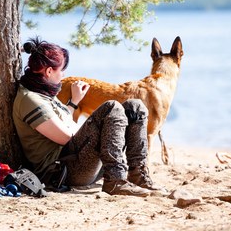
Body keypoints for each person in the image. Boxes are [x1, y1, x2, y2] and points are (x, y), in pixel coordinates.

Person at [13, 37, 165, 197]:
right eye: (61, 70)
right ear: (49, 71)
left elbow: (63, 125)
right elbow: (67, 137)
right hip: (63, 171)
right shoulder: (30, 99)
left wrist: (74, 102)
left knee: (135, 106)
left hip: (77, 160)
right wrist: (99, 125)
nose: (63, 74)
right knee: (111, 108)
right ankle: (115, 181)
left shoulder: (44, 91)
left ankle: (137, 176)